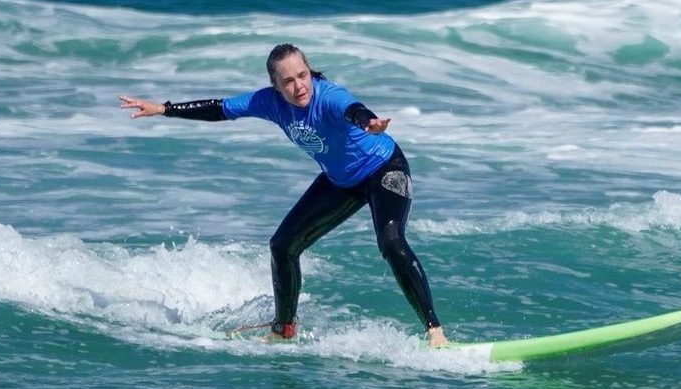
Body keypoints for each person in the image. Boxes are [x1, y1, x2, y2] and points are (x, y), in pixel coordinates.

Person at [119, 43, 450, 347]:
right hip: (340, 181)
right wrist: (165, 109)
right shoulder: (269, 102)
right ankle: (284, 328)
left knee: (391, 242)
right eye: (288, 81)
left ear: (310, 72)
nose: (299, 86)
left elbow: (354, 109)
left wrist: (370, 123)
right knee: (282, 246)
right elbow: (220, 108)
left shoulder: (329, 96)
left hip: (383, 168)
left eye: (303, 75)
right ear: (276, 86)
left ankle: (435, 332)